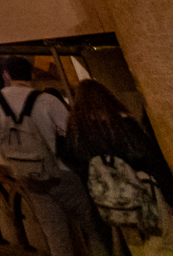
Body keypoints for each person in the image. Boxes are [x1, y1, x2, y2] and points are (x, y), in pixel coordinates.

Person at [0, 56, 105, 256]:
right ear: (31, 75)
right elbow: (73, 135)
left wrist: (17, 163)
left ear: (6, 75)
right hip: (61, 173)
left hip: (27, 176)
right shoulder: (47, 100)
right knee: (93, 228)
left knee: (54, 233)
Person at [64, 79, 172, 254]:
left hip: (114, 204)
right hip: (145, 194)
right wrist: (169, 194)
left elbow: (77, 165)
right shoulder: (121, 124)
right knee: (162, 242)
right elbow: (149, 159)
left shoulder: (76, 132)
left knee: (136, 246)